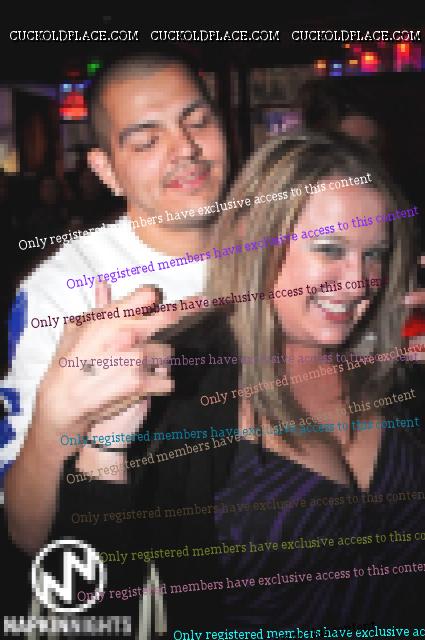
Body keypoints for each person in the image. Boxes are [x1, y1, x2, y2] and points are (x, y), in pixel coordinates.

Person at [10, 133, 424, 632]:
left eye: (375, 254)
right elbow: (83, 596)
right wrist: (101, 448)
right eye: (329, 248)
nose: (358, 282)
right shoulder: (179, 377)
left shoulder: (396, 368)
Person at [2, 52, 227, 550]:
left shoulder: (285, 246)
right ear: (106, 170)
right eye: (147, 141)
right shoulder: (64, 288)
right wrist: (56, 424)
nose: (186, 149)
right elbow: (23, 529)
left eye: (198, 122)